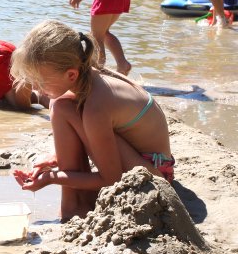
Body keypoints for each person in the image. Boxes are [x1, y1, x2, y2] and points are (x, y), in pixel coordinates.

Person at [10, 20, 173, 221]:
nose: (35, 87)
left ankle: (76, 207)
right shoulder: (91, 75)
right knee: (60, 104)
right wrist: (55, 158)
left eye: (40, 81)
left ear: (71, 74)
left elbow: (111, 178)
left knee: (60, 106)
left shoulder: (96, 107)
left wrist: (51, 178)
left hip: (154, 177)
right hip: (146, 159)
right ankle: (75, 204)